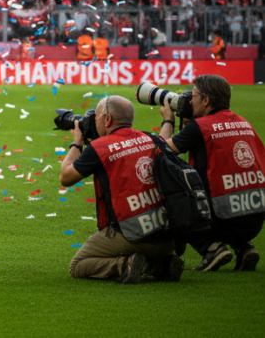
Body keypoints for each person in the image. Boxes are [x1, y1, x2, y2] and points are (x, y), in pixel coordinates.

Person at [60, 96, 183, 283]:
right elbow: (166, 141)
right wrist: (168, 120)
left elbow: (66, 177)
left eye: (97, 117)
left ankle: (124, 264)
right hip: (168, 237)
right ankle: (162, 265)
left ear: (107, 120)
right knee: (150, 246)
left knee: (78, 265)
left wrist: (77, 141)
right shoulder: (152, 139)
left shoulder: (100, 147)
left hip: (133, 236)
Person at [159, 74, 263, 271]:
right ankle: (244, 246)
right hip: (255, 220)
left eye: (194, 96)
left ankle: (211, 248)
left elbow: (161, 151)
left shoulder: (200, 127)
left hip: (221, 221)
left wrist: (168, 120)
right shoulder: (244, 123)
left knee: (175, 194)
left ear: (206, 101)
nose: (190, 100)